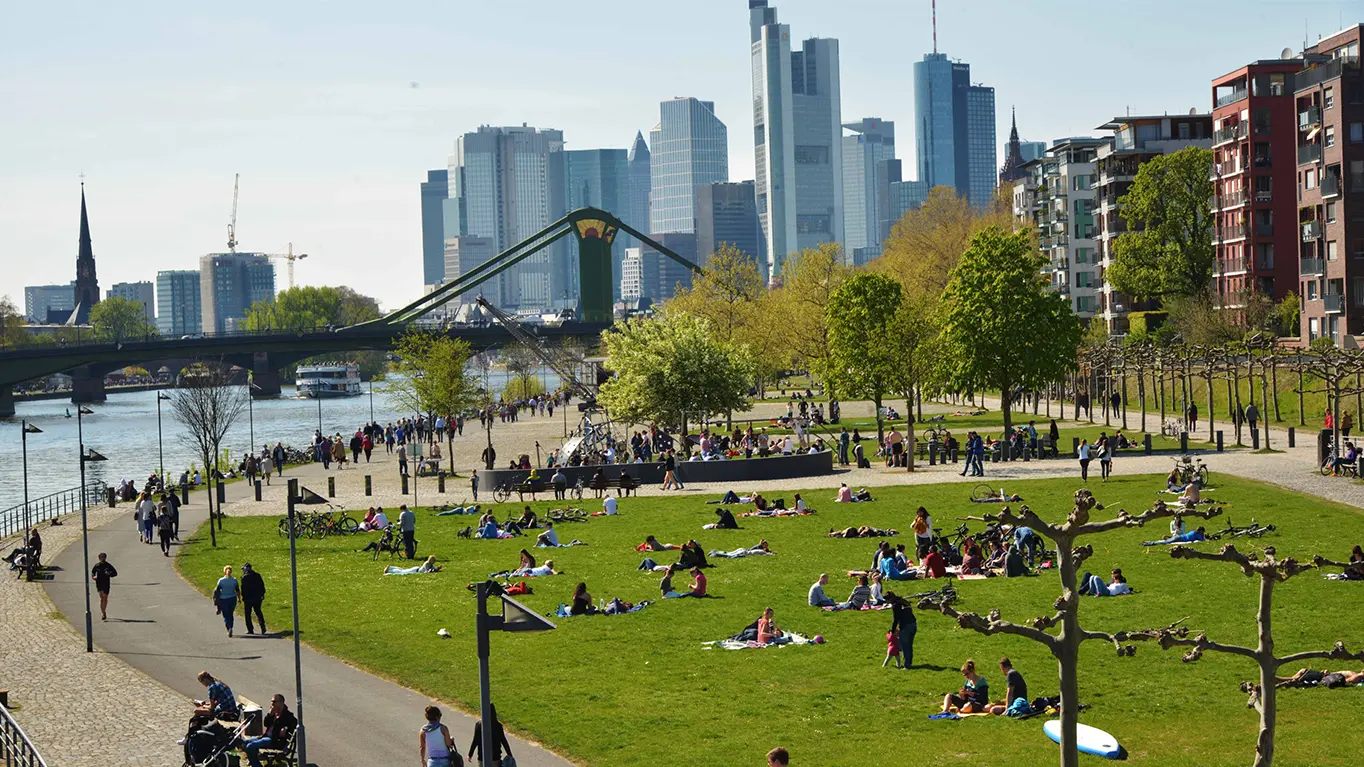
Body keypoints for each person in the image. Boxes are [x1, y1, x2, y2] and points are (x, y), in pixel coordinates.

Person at [241, 694, 297, 767]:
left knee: (250, 746)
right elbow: (266, 724)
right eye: (271, 702)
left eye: (274, 702)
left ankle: (256, 765)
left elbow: (294, 723)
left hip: (275, 741)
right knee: (244, 743)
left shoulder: (287, 716)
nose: (272, 704)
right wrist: (270, 714)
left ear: (281, 702)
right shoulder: (273, 712)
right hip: (266, 737)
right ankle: (256, 763)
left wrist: (286, 729)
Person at [888, 592, 916, 668]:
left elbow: (896, 619)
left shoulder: (895, 606)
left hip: (905, 626)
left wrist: (893, 631)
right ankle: (909, 663)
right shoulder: (903, 602)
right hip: (913, 624)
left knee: (905, 647)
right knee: (909, 646)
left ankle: (907, 665)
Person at [240, 562, 267, 635]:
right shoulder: (257, 575)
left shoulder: (244, 578)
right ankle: (262, 626)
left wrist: (243, 597)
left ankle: (250, 629)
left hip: (248, 599)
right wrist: (262, 594)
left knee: (247, 614)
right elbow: (262, 585)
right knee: (258, 612)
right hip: (257, 598)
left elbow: (243, 589)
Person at [213, 565, 239, 638]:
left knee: (226, 614)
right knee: (230, 614)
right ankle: (231, 626)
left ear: (224, 572)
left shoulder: (221, 581)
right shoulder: (234, 580)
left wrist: (216, 600)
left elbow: (217, 591)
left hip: (223, 599)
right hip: (233, 598)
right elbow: (237, 590)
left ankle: (229, 628)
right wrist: (239, 598)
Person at [91, 552, 117, 621]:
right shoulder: (97, 565)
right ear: (99, 558)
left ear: (105, 558)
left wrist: (109, 574)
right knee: (101, 598)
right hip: (99, 583)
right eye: (101, 557)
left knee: (105, 598)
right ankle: (103, 613)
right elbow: (93, 572)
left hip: (106, 583)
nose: (102, 558)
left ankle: (104, 610)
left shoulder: (108, 565)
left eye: (103, 557)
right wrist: (93, 577)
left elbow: (115, 573)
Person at [1143, 527, 1207, 546]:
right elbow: (1203, 540)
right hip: (1181, 539)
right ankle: (1150, 543)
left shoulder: (1193, 531)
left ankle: (1150, 542)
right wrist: (1203, 536)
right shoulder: (1198, 534)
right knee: (1165, 542)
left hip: (1179, 536)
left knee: (1167, 541)